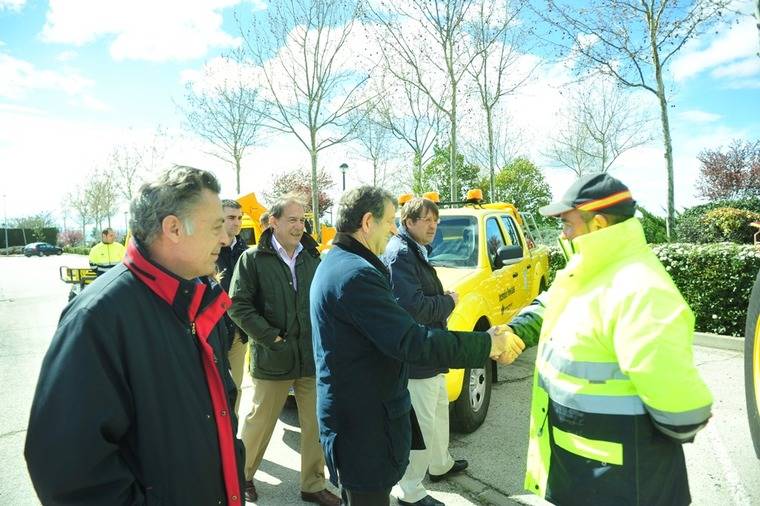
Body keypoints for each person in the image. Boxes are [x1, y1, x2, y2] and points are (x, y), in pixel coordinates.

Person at [25, 166, 244, 505]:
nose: (226, 238)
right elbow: (70, 473)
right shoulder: (96, 318)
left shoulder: (202, 302)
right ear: (173, 228)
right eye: (216, 226)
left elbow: (219, 418)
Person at [310, 186, 524, 506]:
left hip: (357, 423)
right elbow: (412, 341)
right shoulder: (355, 275)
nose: (394, 229)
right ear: (368, 222)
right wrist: (486, 344)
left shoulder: (339, 262)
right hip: (363, 431)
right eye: (390, 221)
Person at [507, 173, 713, 506]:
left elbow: (683, 415)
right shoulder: (587, 269)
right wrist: (513, 331)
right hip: (587, 478)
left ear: (599, 224)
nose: (563, 234)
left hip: (626, 486)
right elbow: (550, 303)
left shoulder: (640, 290)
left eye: (568, 224)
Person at [228, 195, 340, 506]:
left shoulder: (313, 257)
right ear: (273, 222)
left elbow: (324, 302)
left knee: (316, 423)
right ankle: (243, 476)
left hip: (310, 357)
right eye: (292, 219)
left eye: (302, 220)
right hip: (273, 356)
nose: (299, 226)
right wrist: (270, 338)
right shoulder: (252, 259)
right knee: (259, 421)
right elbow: (237, 306)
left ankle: (313, 484)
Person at [382, 198, 463, 506]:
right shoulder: (401, 253)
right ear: (408, 222)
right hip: (417, 354)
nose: (433, 225)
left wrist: (440, 299)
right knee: (421, 423)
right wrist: (449, 302)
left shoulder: (414, 250)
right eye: (426, 219)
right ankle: (410, 490)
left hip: (430, 350)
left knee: (439, 409)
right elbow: (412, 307)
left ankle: (441, 463)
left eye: (436, 219)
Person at [217, 198, 249, 415]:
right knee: (214, 392)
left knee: (236, 389)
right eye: (231, 217)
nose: (236, 223)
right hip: (212, 330)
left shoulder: (246, 252)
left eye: (239, 218)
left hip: (239, 333)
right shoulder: (207, 249)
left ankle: (232, 438)